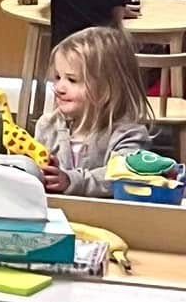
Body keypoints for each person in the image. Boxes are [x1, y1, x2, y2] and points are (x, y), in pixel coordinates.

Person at [34, 25, 151, 196]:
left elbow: (121, 177)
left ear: (107, 87)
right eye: (58, 77)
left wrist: (72, 181)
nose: (59, 88)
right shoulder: (47, 125)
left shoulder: (129, 134)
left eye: (72, 80)